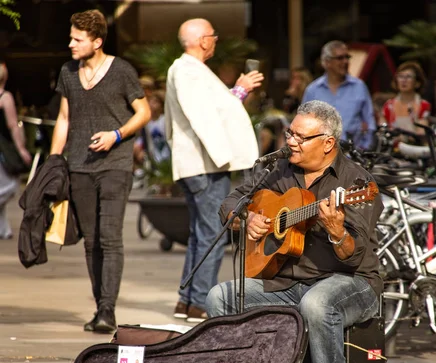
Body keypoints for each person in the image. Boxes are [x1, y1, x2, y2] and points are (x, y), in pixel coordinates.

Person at [206, 100, 383, 363]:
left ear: (328, 143)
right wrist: (246, 218)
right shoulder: (278, 170)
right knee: (221, 296)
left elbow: (352, 253)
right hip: (288, 281)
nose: (290, 141)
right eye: (290, 133)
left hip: (350, 282)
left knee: (317, 303)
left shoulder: (355, 183)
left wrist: (336, 231)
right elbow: (232, 201)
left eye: (301, 137)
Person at [49, 10, 151, 333]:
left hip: (115, 166)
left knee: (110, 238)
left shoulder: (121, 71)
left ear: (97, 41)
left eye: (77, 39)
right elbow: (64, 119)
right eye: (71, 37)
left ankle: (108, 309)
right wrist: (54, 162)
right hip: (78, 166)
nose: (71, 44)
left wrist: (116, 135)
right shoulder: (68, 72)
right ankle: (100, 308)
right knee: (91, 241)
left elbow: (144, 112)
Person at [165, 18, 263, 323]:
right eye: (213, 36)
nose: (216, 40)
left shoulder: (188, 70)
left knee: (201, 234)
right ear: (203, 40)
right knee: (213, 234)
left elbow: (215, 109)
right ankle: (197, 302)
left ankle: (187, 300)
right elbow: (204, 117)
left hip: (202, 163)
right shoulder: (187, 70)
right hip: (206, 164)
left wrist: (239, 90)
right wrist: (224, 157)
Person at [302, 41, 376, 150]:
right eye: (340, 58)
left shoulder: (359, 86)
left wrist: (365, 148)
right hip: (321, 156)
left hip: (353, 155)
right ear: (327, 62)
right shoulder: (313, 90)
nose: (345, 61)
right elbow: (304, 124)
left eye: (347, 57)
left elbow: (370, 121)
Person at [0, 62, 31, 239]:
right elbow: (13, 126)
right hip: (3, 150)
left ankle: (4, 230)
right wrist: (21, 149)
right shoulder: (5, 97)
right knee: (10, 187)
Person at [380, 61, 431, 135]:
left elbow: (422, 131)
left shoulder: (423, 105)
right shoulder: (388, 105)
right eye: (400, 76)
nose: (404, 80)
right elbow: (382, 130)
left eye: (408, 77)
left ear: (417, 83)